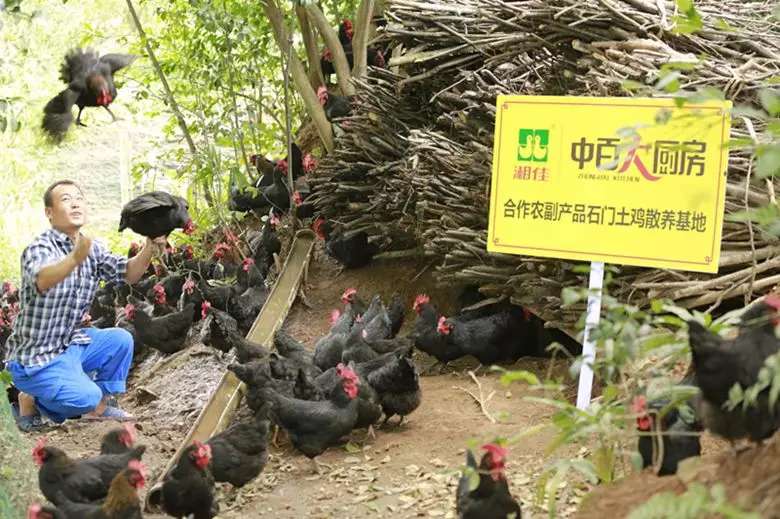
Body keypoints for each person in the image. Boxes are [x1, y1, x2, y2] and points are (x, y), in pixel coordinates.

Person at [4, 180, 164, 431]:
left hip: (70, 345)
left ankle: (99, 406)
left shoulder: (92, 249)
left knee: (121, 339)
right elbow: (43, 279)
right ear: (49, 212)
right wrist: (75, 258)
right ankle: (32, 400)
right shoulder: (39, 248)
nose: (75, 203)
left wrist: (149, 248)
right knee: (85, 397)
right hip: (35, 359)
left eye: (79, 198)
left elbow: (129, 274)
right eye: (66, 199)